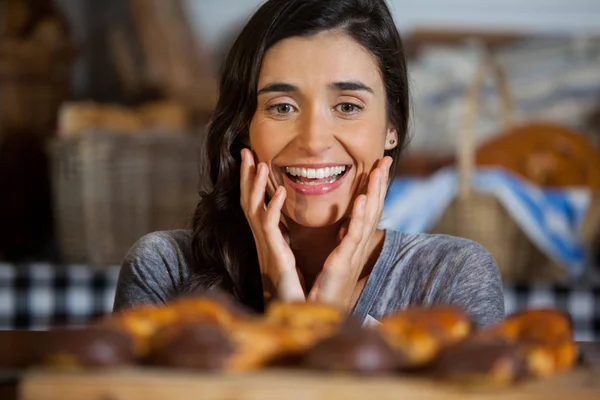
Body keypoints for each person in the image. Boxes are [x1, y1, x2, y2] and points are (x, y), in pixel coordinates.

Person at [113, 0, 505, 327]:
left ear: (392, 127)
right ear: (243, 128)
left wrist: (320, 325)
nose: (314, 141)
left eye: (348, 106)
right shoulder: (165, 270)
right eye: (282, 107)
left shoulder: (451, 278)